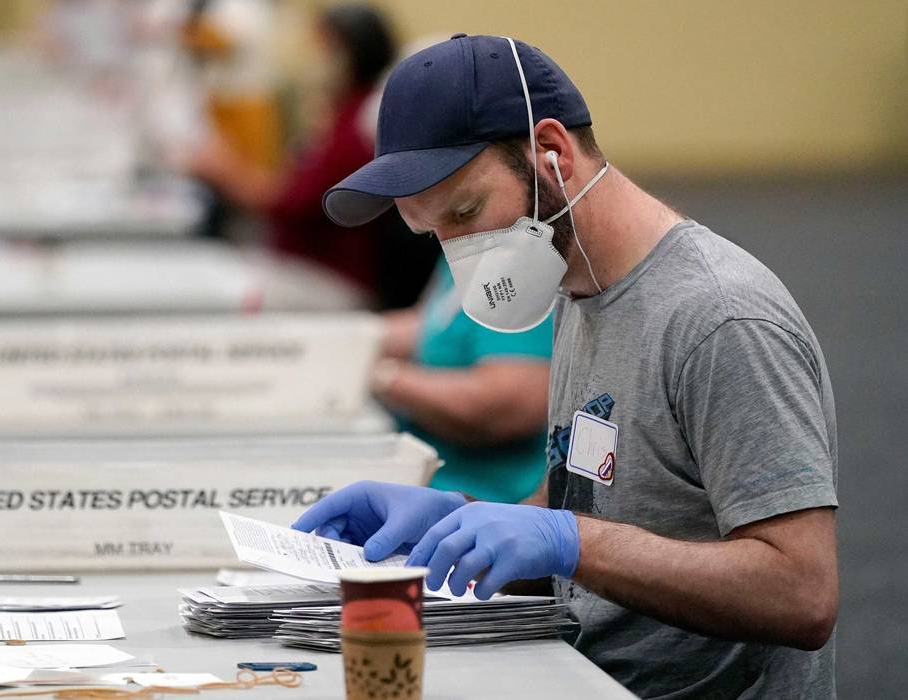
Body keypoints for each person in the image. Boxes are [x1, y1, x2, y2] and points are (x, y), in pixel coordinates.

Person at [294, 34, 838, 698]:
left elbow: (801, 594)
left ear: (550, 153)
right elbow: (600, 505)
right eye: (433, 233)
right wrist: (454, 525)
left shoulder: (718, 319)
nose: (461, 255)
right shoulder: (575, 290)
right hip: (580, 672)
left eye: (466, 212)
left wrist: (568, 542)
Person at [182, 4, 398, 298]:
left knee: (208, 293)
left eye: (322, 48)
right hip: (300, 267)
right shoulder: (337, 118)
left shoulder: (359, 127)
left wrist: (225, 169)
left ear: (348, 54)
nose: (312, 60)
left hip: (330, 280)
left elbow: (289, 202)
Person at [374, 262, 551, 503]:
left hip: (481, 498)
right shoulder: (467, 253)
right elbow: (432, 326)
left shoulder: (518, 268)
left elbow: (507, 403)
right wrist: (346, 339)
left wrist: (387, 377)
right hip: (427, 482)